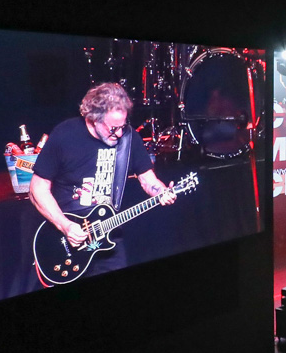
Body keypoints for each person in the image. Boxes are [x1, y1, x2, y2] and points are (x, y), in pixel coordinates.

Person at [28, 82, 176, 277]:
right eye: (113, 128)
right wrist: (64, 225)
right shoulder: (65, 135)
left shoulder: (129, 138)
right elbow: (37, 189)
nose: (119, 134)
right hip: (68, 236)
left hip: (108, 234)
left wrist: (161, 191)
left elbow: (148, 179)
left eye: (122, 126)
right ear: (92, 119)